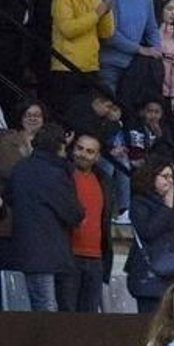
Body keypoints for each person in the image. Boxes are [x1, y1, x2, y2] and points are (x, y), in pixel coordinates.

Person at [3, 123, 83, 312]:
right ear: (60, 146)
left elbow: (9, 198)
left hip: (25, 248)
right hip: (50, 251)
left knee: (37, 307)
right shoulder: (56, 173)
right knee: (47, 309)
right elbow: (74, 214)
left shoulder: (20, 168)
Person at [125, 158, 174, 313]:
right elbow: (148, 231)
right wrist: (167, 207)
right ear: (151, 177)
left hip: (172, 274)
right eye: (165, 176)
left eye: (172, 177)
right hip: (148, 273)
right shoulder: (139, 202)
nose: (170, 181)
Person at [98, 0, 161, 96]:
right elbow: (109, 35)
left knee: (131, 105)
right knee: (108, 103)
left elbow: (151, 27)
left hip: (135, 65)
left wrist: (157, 49)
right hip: (110, 65)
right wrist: (139, 49)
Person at [63, 131, 112, 313]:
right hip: (68, 255)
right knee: (66, 316)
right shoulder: (63, 175)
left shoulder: (104, 181)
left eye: (90, 151)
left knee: (90, 318)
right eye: (80, 148)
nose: (83, 154)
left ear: (97, 157)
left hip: (96, 258)